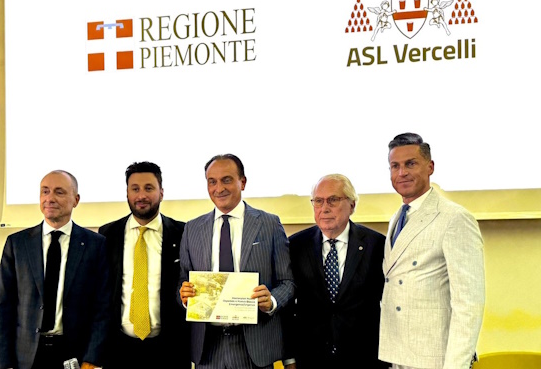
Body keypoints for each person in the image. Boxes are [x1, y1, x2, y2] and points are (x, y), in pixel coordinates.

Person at [379, 133, 485, 369]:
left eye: (410, 164)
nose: (401, 173)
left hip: (436, 358)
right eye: (395, 166)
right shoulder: (397, 218)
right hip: (400, 355)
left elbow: (468, 304)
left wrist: (456, 365)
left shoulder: (454, 218)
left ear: (430, 167)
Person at [178, 154, 294, 369]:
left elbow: (287, 282)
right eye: (212, 182)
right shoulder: (192, 228)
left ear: (243, 182)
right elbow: (182, 281)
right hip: (208, 348)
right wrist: (184, 296)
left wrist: (271, 301)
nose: (219, 188)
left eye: (227, 180)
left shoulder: (269, 224)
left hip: (255, 345)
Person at [0, 170, 110, 369]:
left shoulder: (95, 245)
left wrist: (92, 358)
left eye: (59, 192)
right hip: (26, 357)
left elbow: (102, 309)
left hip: (75, 356)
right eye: (45, 191)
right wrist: (3, 364)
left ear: (76, 200)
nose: (50, 198)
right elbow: (3, 308)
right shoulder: (17, 244)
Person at [282, 174, 388, 369]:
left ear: (352, 205)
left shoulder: (377, 245)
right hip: (311, 359)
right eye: (318, 201)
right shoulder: (296, 246)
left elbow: (388, 303)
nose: (324, 208)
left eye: (333, 200)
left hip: (364, 358)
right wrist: (289, 358)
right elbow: (287, 309)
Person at [99, 162, 190, 368]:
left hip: (170, 349)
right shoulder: (107, 234)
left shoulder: (183, 233)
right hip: (119, 349)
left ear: (161, 193)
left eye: (149, 188)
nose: (141, 195)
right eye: (135, 189)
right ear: (127, 193)